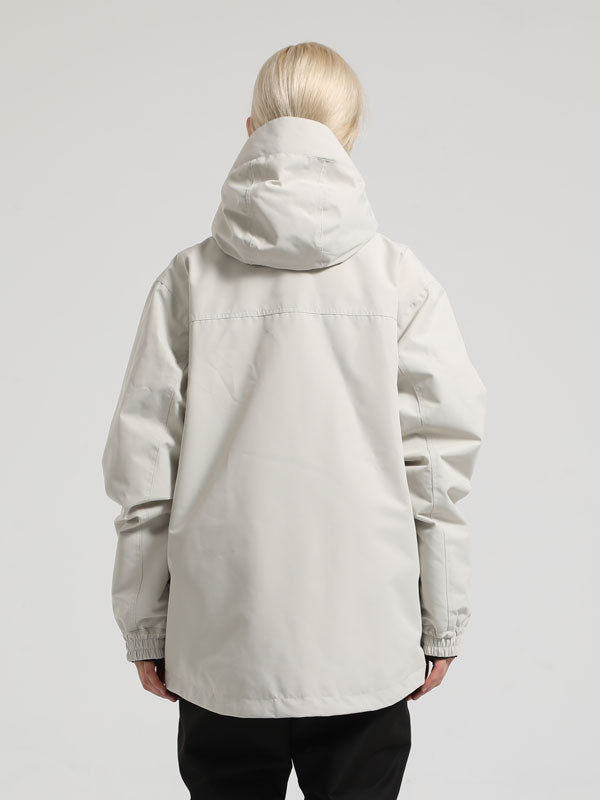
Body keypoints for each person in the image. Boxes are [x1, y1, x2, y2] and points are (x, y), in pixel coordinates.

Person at [101, 41, 487, 799]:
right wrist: (442, 618)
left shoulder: (188, 281)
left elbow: (144, 471)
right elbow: (439, 471)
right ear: (350, 136)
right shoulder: (401, 282)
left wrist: (145, 624)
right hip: (365, 647)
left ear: (251, 128)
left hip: (222, 649)